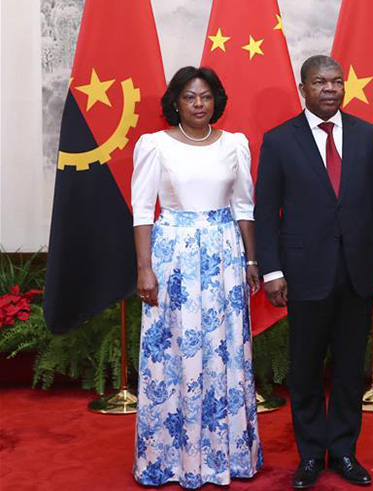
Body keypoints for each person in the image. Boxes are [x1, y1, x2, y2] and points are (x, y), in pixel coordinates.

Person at [254, 55, 373, 489]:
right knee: (305, 369)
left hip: (357, 270)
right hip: (303, 273)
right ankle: (312, 455)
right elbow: (266, 212)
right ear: (303, 89)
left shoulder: (368, 135)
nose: (330, 89)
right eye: (320, 82)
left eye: (336, 82)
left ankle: (345, 452)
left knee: (350, 369)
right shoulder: (280, 140)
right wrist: (272, 271)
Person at [131, 66, 263, 488]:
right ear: (175, 102)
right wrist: (144, 269)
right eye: (189, 97)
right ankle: (171, 460)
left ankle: (228, 456)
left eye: (205, 96)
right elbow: (142, 211)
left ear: (216, 100)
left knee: (225, 350)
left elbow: (244, 206)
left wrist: (252, 261)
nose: (199, 103)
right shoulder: (154, 145)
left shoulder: (235, 144)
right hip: (173, 259)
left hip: (224, 258)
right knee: (174, 353)